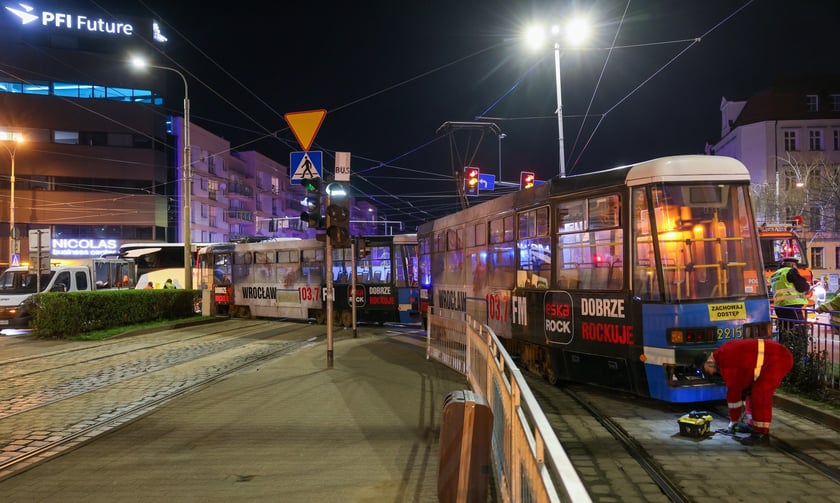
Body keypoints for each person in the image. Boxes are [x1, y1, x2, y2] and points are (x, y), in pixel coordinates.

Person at [703, 338, 793, 446]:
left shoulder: (726, 363)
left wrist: (734, 421)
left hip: (778, 359)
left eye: (708, 370)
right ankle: (752, 425)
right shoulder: (721, 354)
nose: (711, 373)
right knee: (751, 391)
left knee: (760, 395)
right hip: (774, 357)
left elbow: (734, 394)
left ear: (709, 362)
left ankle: (761, 435)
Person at [769, 257, 810, 334]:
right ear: (792, 265)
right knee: (797, 329)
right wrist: (807, 286)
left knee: (784, 329)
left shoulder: (774, 275)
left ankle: (784, 344)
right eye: (796, 265)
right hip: (792, 305)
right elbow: (802, 287)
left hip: (779, 306)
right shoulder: (790, 271)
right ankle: (797, 345)